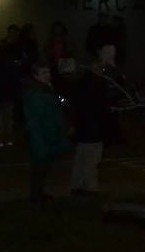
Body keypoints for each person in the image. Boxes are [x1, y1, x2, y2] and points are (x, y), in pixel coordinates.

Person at [69, 44, 116, 197]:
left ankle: (76, 184)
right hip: (93, 128)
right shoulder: (96, 85)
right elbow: (101, 107)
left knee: (81, 158)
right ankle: (90, 186)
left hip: (83, 127)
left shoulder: (81, 83)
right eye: (100, 68)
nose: (102, 71)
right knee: (92, 159)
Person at [20, 60, 69, 203]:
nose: (48, 75)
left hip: (46, 135)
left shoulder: (44, 89)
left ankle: (38, 193)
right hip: (42, 136)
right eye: (43, 73)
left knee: (43, 167)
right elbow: (39, 117)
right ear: (36, 75)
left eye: (48, 72)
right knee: (40, 167)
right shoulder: (36, 93)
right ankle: (36, 196)